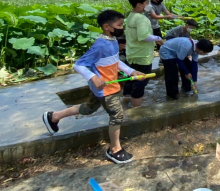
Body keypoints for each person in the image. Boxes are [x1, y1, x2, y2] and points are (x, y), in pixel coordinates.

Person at [42, 10, 144, 164]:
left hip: (109, 86)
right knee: (117, 115)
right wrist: (93, 77)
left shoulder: (113, 40)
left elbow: (116, 61)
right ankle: (114, 150)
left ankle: (54, 116)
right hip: (105, 89)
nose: (121, 27)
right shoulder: (100, 45)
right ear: (107, 27)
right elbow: (79, 65)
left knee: (88, 109)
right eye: (119, 25)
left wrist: (131, 71)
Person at [124, 0, 164, 108]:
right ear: (139, 5)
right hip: (143, 56)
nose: (149, 5)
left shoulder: (131, 16)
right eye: (147, 2)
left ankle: (126, 100)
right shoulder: (141, 19)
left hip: (131, 54)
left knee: (131, 79)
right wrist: (158, 38)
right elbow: (144, 36)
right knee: (140, 82)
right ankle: (136, 110)